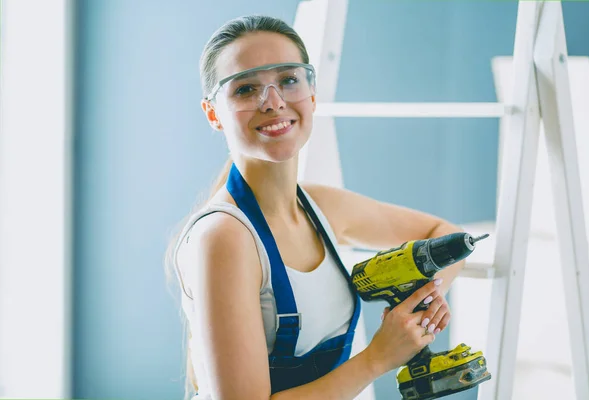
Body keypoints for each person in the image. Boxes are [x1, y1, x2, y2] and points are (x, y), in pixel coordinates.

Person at [165, 14, 466, 400]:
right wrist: (378, 357)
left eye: (288, 80)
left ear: (311, 94)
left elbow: (445, 236)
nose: (273, 102)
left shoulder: (322, 208)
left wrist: (427, 298)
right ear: (213, 113)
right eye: (245, 89)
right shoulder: (225, 237)